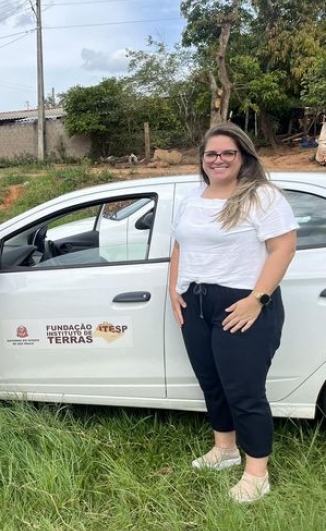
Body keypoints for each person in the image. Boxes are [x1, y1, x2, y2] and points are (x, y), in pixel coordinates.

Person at [169, 121, 298, 503]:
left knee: (244, 391)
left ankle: (257, 473)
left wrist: (257, 299)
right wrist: (174, 289)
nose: (219, 159)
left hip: (241, 304)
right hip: (196, 303)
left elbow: (283, 248)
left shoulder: (262, 196)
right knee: (212, 383)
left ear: (243, 157)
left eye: (228, 153)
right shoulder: (193, 198)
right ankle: (224, 449)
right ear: (202, 159)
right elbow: (179, 246)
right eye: (211, 153)